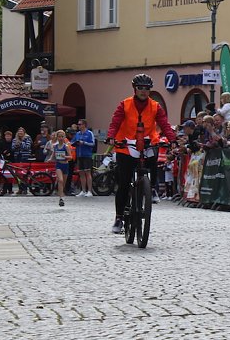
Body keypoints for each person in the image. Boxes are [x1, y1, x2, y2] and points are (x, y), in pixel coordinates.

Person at [106, 74, 177, 234]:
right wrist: (111, 137)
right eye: (140, 88)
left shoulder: (155, 106)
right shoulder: (124, 104)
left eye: (147, 88)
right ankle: (118, 218)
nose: (144, 91)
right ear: (135, 89)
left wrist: (172, 139)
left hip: (146, 141)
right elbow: (115, 122)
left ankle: (151, 188)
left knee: (153, 155)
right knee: (124, 183)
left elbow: (164, 124)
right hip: (127, 144)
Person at [49, 130, 72, 207]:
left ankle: (62, 196)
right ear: (57, 137)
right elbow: (53, 154)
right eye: (59, 136)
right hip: (58, 165)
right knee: (60, 180)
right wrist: (50, 159)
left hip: (65, 165)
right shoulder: (55, 146)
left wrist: (65, 157)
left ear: (64, 137)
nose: (61, 138)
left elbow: (70, 157)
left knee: (63, 183)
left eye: (62, 136)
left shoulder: (66, 147)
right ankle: (61, 198)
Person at [73, 119, 96, 197]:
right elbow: (72, 142)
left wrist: (84, 143)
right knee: (81, 173)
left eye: (80, 124)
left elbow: (93, 143)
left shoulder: (89, 133)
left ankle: (89, 191)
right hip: (79, 155)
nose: (78, 126)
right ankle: (83, 190)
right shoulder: (77, 134)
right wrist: (75, 144)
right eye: (78, 124)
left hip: (87, 155)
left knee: (87, 172)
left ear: (84, 125)